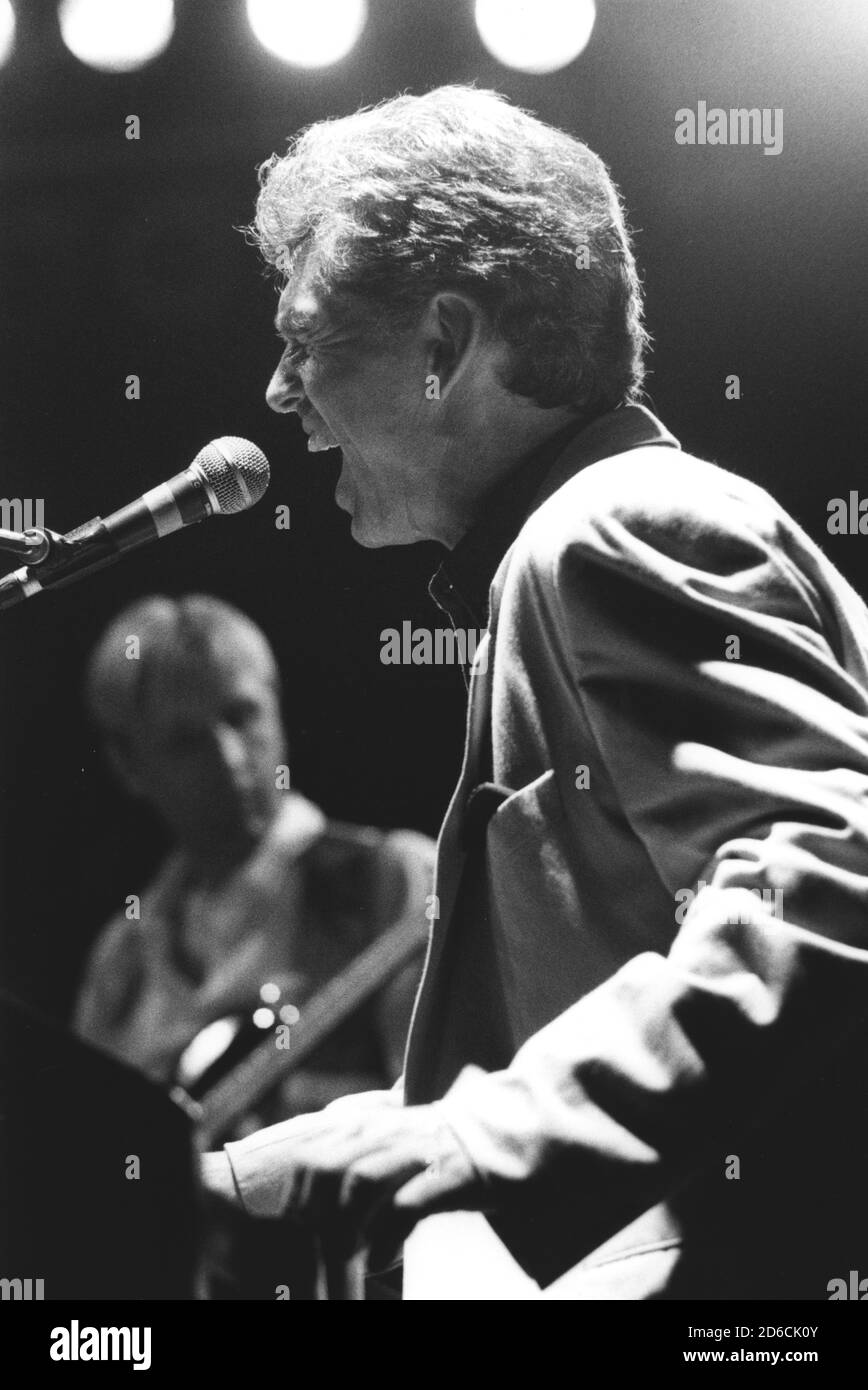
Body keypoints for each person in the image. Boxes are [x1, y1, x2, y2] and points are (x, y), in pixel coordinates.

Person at [202, 85, 868, 1300]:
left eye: (304, 342)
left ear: (446, 344)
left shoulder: (615, 524)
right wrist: (339, 1142)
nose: (278, 396)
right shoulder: (570, 547)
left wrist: (473, 1139)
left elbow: (828, 881)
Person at [76, 594, 434, 1125]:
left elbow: (440, 1122)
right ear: (129, 766)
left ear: (278, 704)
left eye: (242, 715)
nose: (230, 758)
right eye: (187, 741)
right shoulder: (120, 962)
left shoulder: (392, 878)